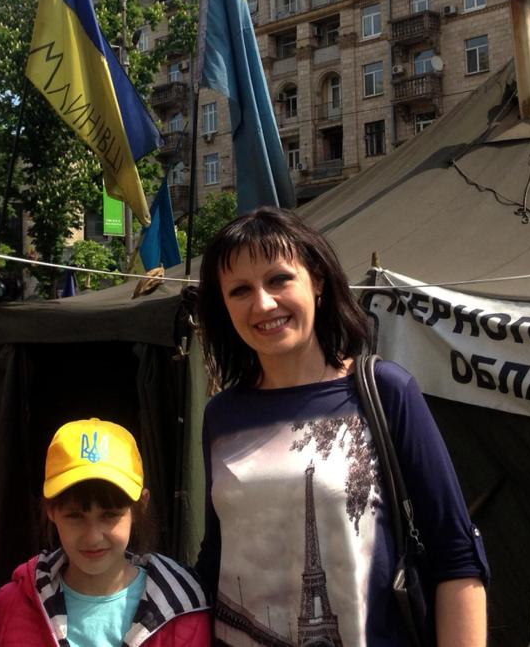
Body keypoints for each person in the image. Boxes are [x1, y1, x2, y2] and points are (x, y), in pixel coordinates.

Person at [194, 207, 488, 646]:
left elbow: (456, 553)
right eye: (240, 290)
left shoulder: (385, 392)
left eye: (278, 279)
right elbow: (217, 556)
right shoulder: (221, 416)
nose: (263, 303)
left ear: (316, 281)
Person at [0, 418, 210, 646]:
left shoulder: (183, 612)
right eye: (75, 516)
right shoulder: (12, 606)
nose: (93, 536)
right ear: (51, 510)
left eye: (110, 515)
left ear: (140, 506)